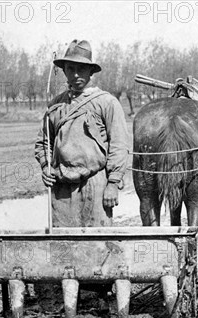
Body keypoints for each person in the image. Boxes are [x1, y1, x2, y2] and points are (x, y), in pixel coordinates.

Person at [34, 39, 130, 227]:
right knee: (64, 246)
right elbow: (43, 143)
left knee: (98, 245)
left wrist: (113, 183)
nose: (76, 74)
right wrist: (46, 167)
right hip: (61, 186)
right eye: (71, 69)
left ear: (91, 72)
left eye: (82, 69)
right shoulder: (55, 105)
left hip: (95, 184)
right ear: (64, 71)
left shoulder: (107, 103)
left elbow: (119, 144)